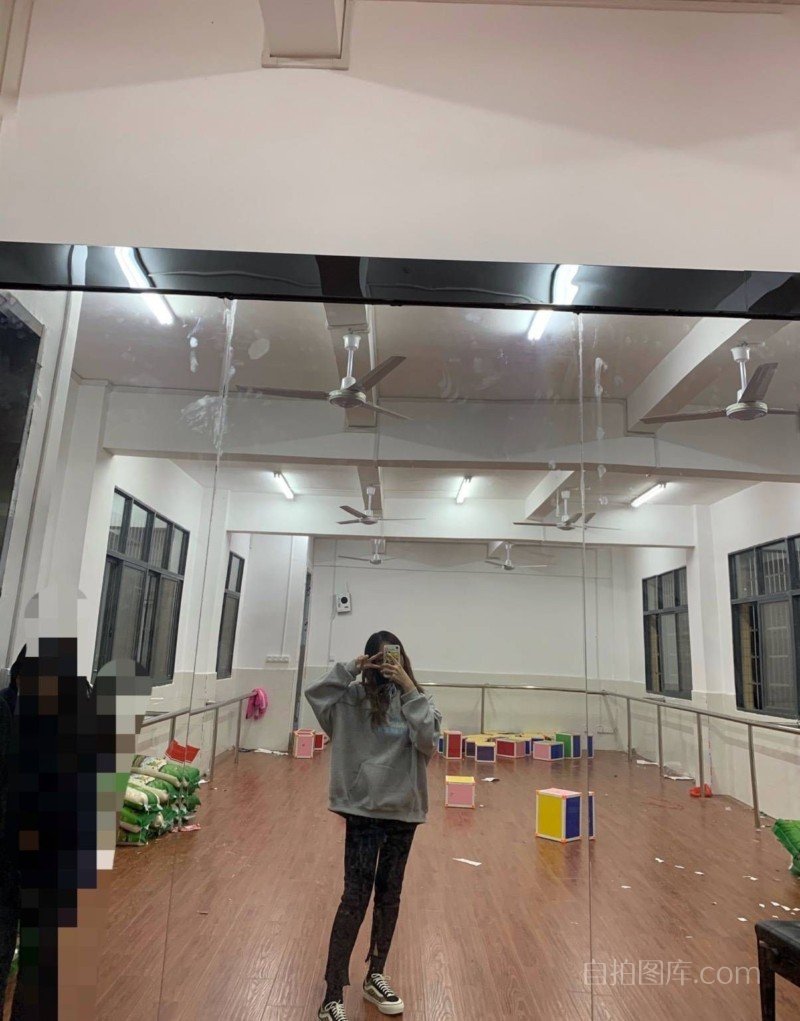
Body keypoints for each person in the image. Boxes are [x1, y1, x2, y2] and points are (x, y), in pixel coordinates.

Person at [306, 631, 441, 1021]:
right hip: (363, 809)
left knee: (389, 897)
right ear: (368, 661)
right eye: (379, 659)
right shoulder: (349, 699)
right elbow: (316, 694)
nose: (386, 666)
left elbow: (428, 740)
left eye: (392, 658)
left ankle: (375, 974)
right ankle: (332, 994)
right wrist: (351, 668)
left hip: (403, 812)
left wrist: (409, 687)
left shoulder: (418, 701)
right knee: (354, 899)